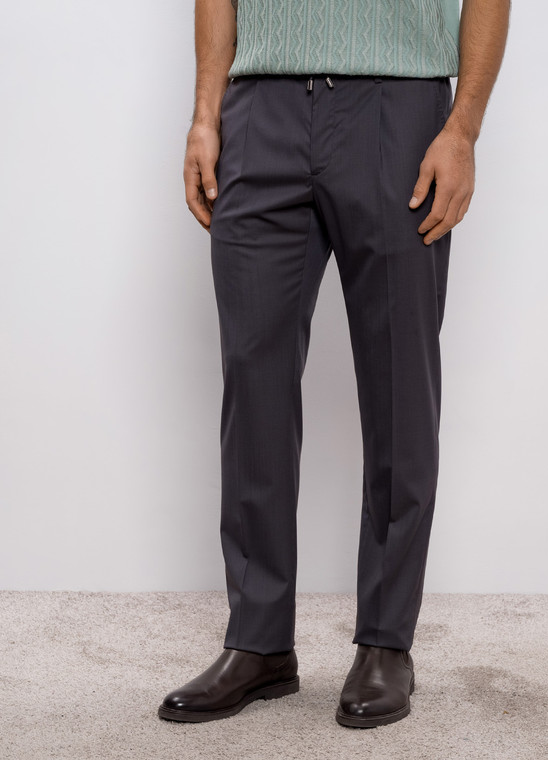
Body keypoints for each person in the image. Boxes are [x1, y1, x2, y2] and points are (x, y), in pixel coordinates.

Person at [158, 0, 510, 728]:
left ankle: (386, 641)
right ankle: (258, 642)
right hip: (260, 108)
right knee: (253, 384)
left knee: (400, 385)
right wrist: (205, 115)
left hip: (398, 107)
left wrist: (463, 129)